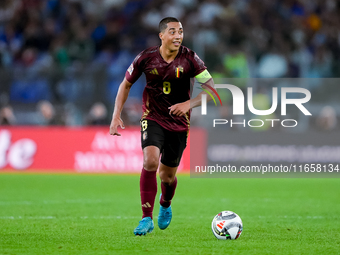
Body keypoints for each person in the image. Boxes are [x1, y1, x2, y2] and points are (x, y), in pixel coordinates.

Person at [109, 17, 214, 236]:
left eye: (181, 32)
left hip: (178, 124)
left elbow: (211, 90)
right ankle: (146, 218)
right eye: (173, 32)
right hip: (153, 117)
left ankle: (165, 204)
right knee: (150, 161)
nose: (178, 36)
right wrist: (115, 115)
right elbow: (125, 84)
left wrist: (188, 104)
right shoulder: (145, 58)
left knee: (167, 176)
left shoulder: (190, 58)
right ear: (162, 36)